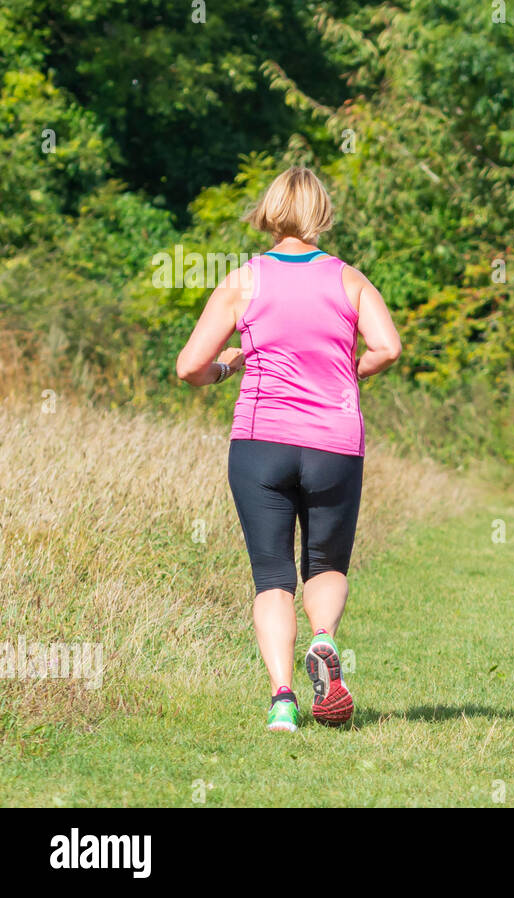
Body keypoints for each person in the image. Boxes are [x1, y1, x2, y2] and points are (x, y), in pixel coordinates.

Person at [176, 166, 402, 732]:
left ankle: (282, 700)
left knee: (271, 575)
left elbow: (188, 367)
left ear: (271, 212)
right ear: (321, 213)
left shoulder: (244, 279)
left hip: (261, 443)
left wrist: (231, 365)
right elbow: (388, 347)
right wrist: (351, 370)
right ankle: (323, 640)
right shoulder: (350, 279)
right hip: (334, 444)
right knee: (324, 565)